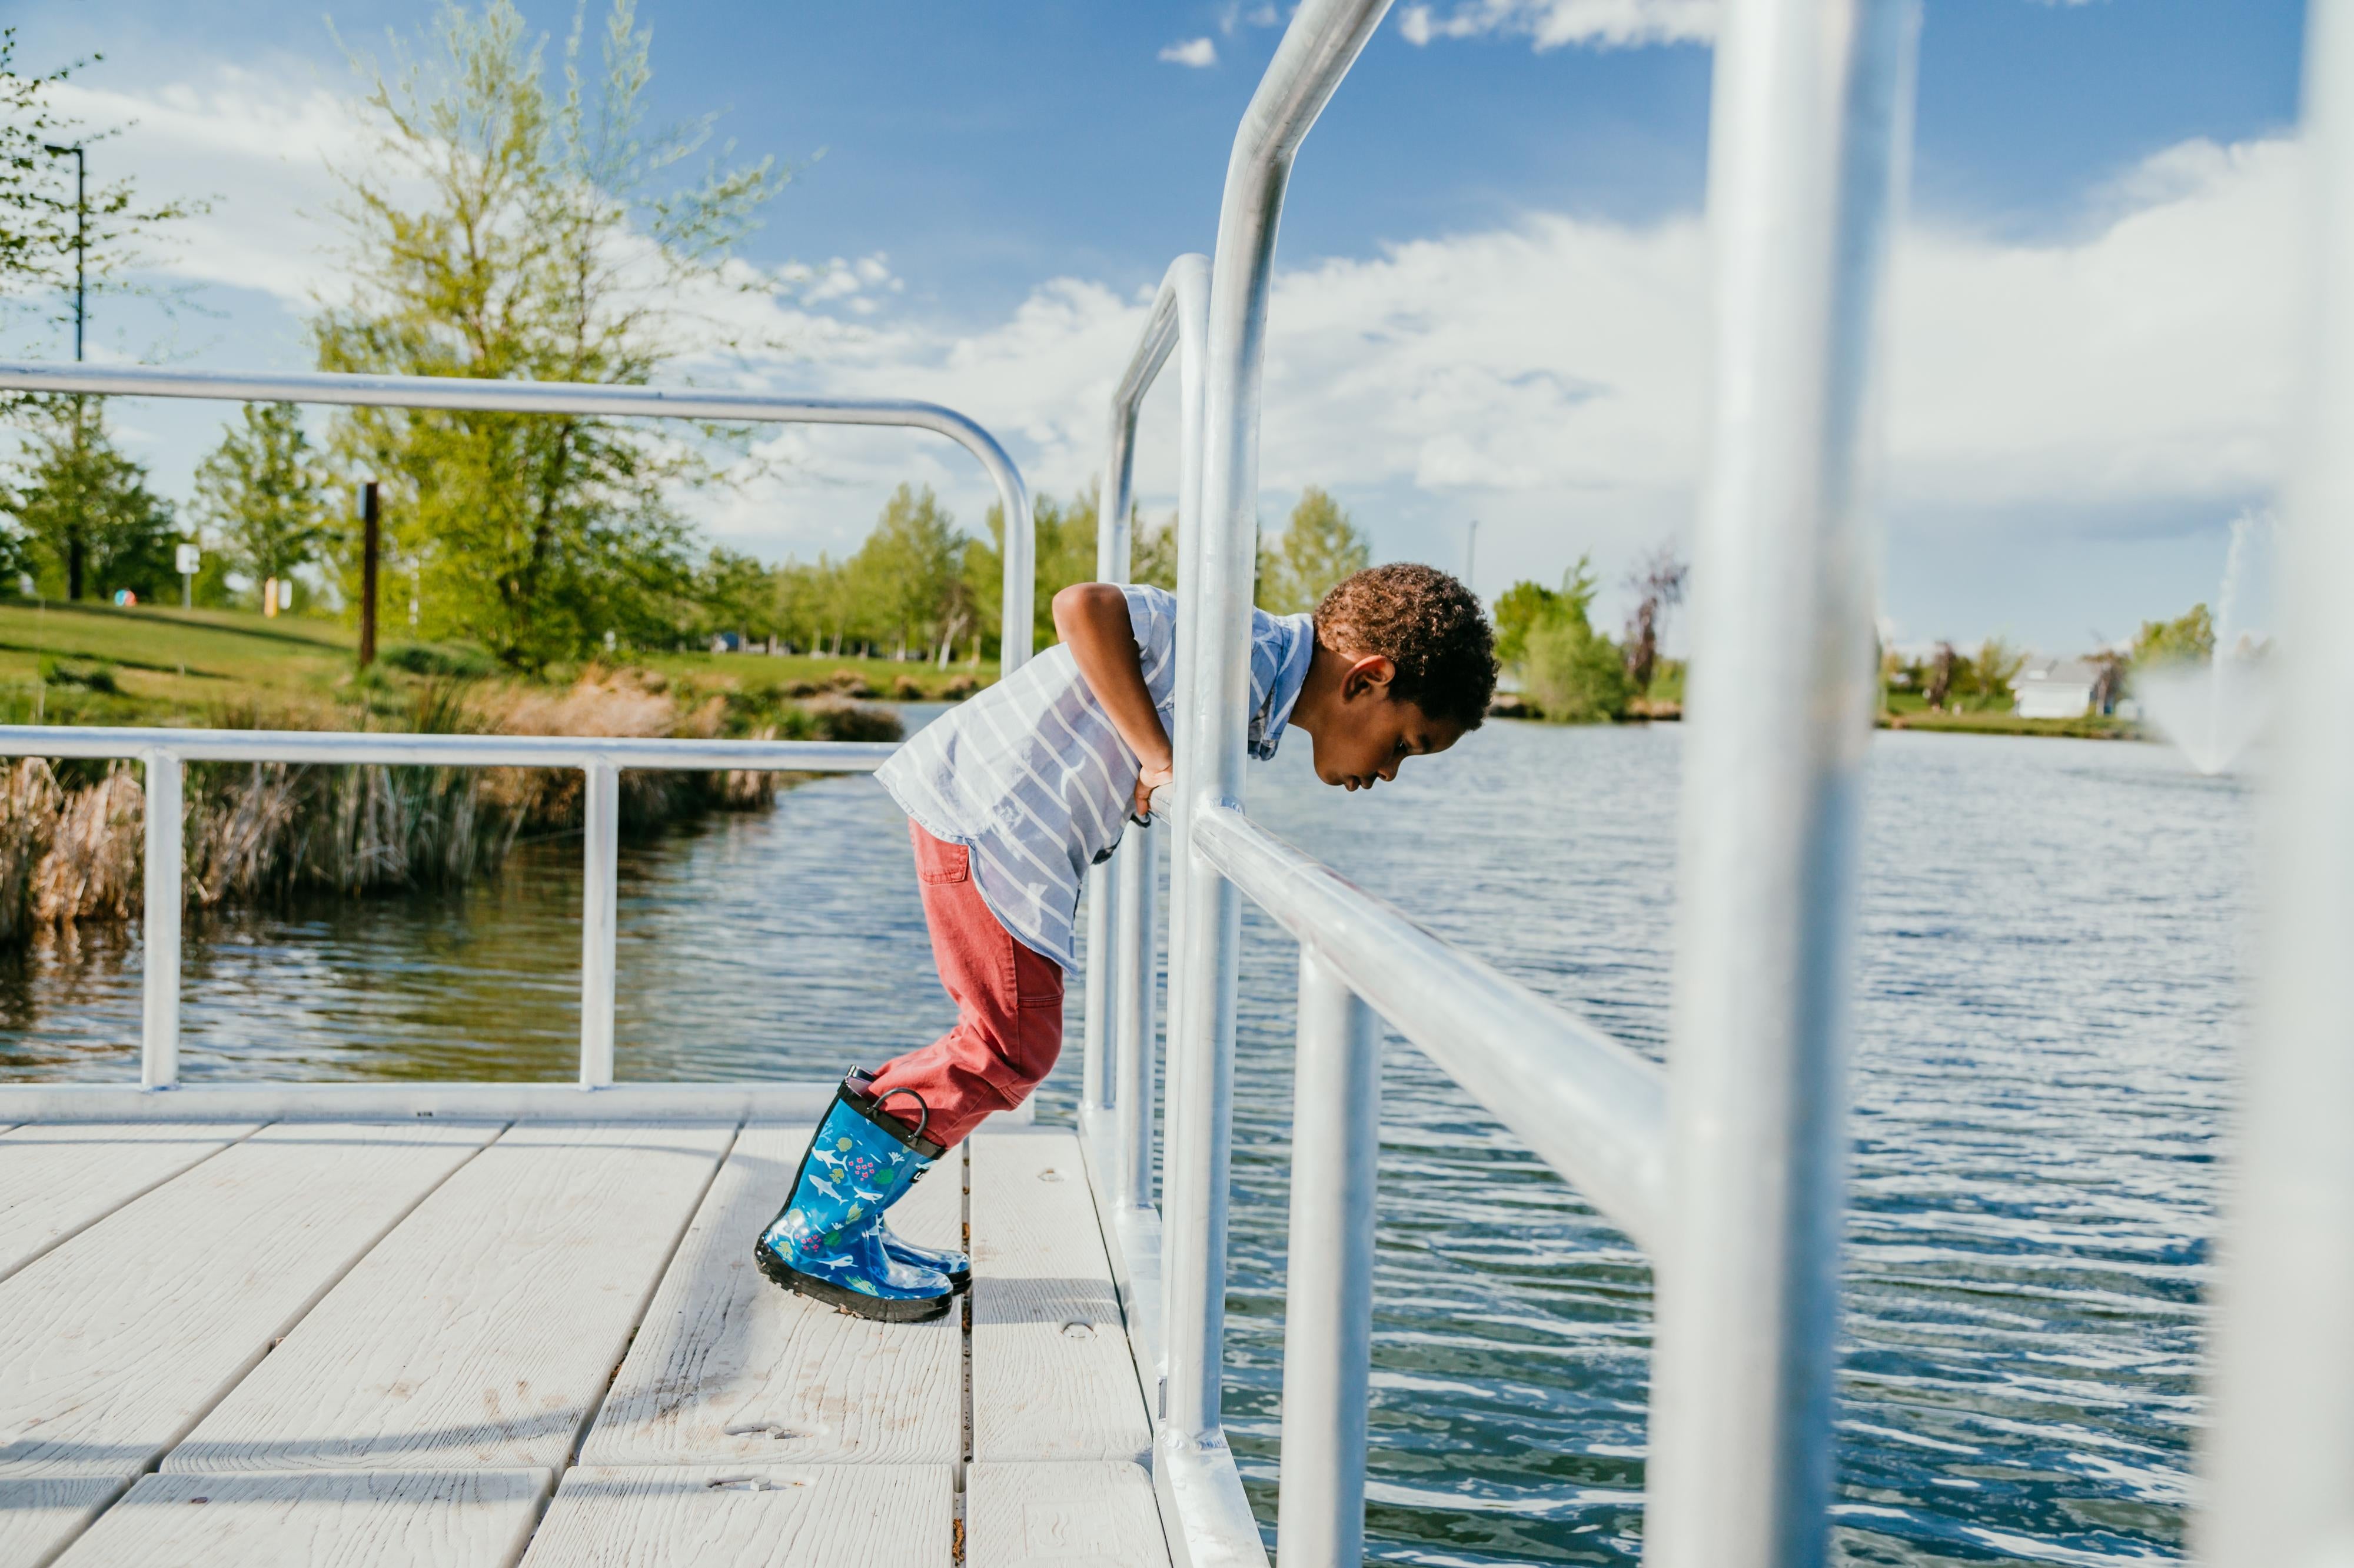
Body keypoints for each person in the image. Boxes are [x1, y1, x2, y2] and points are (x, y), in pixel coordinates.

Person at [753, 562, 1498, 1321]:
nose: (1390, 772)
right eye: (1405, 744)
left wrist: (1150, 760)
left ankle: (849, 1225)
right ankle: (817, 1236)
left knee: (1010, 1044)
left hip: (1007, 832)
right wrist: (1156, 756)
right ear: (1367, 679)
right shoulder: (1241, 647)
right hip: (995, 827)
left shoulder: (1257, 684)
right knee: (1010, 1047)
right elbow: (1087, 608)